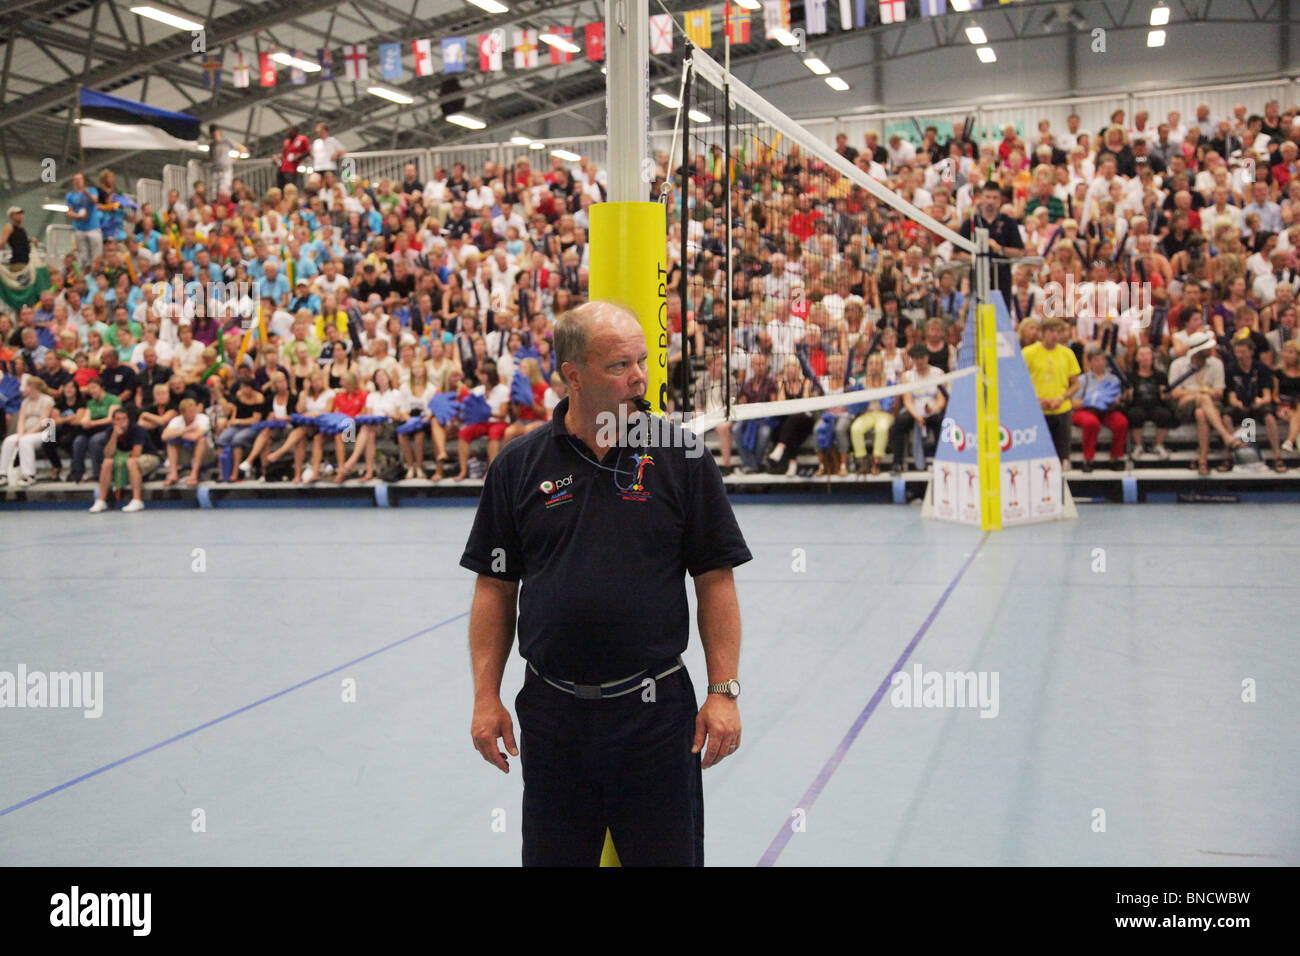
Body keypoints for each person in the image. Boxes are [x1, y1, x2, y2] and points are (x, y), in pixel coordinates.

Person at [460, 300, 752, 867]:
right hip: (552, 714)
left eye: (642, 361)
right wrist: (484, 697)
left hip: (656, 715)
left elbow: (716, 578)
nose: (640, 377)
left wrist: (724, 691)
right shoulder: (518, 466)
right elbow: (495, 587)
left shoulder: (682, 457)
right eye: (620, 366)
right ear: (572, 375)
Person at [1168, 330, 1236, 476]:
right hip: (1184, 408)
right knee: (1204, 399)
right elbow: (1174, 393)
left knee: (1201, 413)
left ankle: (1202, 462)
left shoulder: (1216, 364)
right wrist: (1204, 392)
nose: (1211, 349)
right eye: (1207, 348)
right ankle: (1226, 436)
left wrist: (1191, 392)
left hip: (1211, 406)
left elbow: (1219, 393)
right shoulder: (1178, 365)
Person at [1022, 317, 1082, 469]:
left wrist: (1061, 398)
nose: (1055, 335)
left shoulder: (1067, 354)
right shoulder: (1028, 353)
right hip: (1036, 411)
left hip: (1061, 410)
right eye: (1051, 331)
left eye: (1058, 331)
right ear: (1042, 333)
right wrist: (1035, 399)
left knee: (1061, 456)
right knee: (1036, 456)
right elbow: (1019, 381)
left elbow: (1075, 385)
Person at [1223, 337, 1284, 472]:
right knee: (1226, 416)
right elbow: (1231, 395)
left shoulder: (1261, 368)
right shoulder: (1231, 369)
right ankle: (1230, 456)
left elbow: (1267, 395)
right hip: (1240, 405)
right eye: (1237, 352)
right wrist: (1236, 403)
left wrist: (1261, 401)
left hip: (1257, 404)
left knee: (1269, 416)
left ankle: (1277, 457)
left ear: (1251, 352)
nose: (1240, 356)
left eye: (1243, 352)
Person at [889, 344, 948, 474]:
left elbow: (942, 400)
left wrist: (932, 410)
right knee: (898, 423)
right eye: (916, 358)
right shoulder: (907, 376)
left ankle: (943, 461)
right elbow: (907, 401)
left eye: (921, 357)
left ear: (927, 357)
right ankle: (897, 463)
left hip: (933, 410)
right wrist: (916, 415)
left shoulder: (938, 373)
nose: (919, 361)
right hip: (915, 411)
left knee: (942, 422)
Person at [88, 405, 159, 513]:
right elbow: (108, 454)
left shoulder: (136, 429)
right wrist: (114, 436)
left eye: (124, 418)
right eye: (118, 419)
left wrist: (120, 456)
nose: (122, 422)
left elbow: (136, 453)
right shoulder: (110, 431)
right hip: (125, 458)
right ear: (113, 421)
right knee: (107, 462)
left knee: (131, 462)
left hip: (149, 457)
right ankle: (101, 501)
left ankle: (137, 500)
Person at [1072, 348, 1129, 471]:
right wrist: (1092, 401)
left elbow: (1117, 399)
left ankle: (1116, 457)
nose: (1100, 363)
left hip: (1106, 410)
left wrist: (1113, 402)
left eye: (1103, 359)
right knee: (1091, 423)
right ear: (1090, 362)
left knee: (1121, 422)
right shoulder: (1083, 380)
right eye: (1096, 360)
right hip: (1087, 410)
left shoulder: (1113, 379)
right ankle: (1088, 459)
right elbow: (1073, 402)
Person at [1123, 344, 1175, 460]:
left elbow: (1166, 397)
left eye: (1147, 354)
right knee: (1135, 414)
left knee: (1164, 414)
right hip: (1137, 405)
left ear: (1152, 357)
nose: (1145, 357)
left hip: (1155, 405)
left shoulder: (1160, 375)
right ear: (1136, 358)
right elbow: (1126, 399)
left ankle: (1158, 445)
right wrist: (1128, 395)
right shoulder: (1130, 376)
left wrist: (1165, 395)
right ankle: (1138, 445)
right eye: (1141, 354)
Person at [0, 378, 54, 488]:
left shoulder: (47, 400)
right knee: (9, 441)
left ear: (33, 387)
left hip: (45, 433)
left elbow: (43, 422)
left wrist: (25, 435)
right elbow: (21, 420)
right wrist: (20, 434)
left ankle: (29, 475)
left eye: (26, 386)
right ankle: (3, 474)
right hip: (26, 433)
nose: (23, 389)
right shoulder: (25, 401)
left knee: (25, 441)